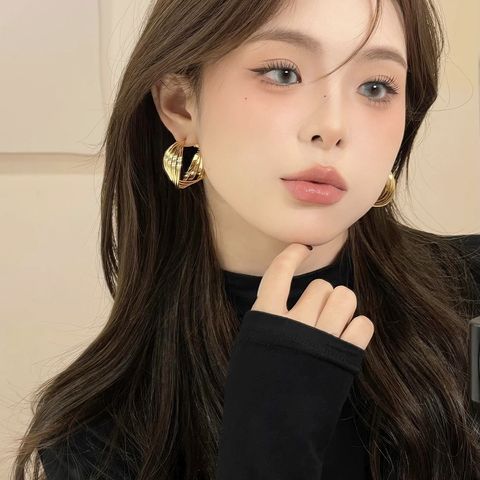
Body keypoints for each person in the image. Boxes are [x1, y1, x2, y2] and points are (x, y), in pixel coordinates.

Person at [12, 0, 480, 478]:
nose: (333, 128)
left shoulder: (472, 297)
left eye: (376, 86)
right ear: (180, 105)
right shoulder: (99, 436)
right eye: (282, 74)